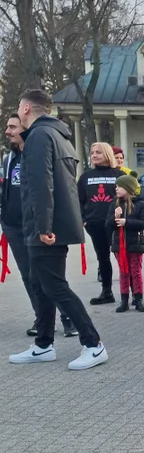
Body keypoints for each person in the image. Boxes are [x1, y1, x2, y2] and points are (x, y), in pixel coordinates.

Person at [9, 89, 108, 370]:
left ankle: (93, 344)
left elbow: (42, 184)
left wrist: (42, 226)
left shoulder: (40, 136)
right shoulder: (58, 135)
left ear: (26, 108)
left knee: (53, 285)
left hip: (44, 228)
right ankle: (43, 344)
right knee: (39, 283)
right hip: (51, 225)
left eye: (19, 106)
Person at [2, 114, 75, 337]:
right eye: (7, 127)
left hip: (37, 225)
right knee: (28, 276)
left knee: (48, 275)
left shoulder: (39, 152)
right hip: (13, 226)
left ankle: (68, 317)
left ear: (23, 128)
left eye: (12, 127)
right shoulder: (8, 160)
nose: (8, 131)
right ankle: (43, 320)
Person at [77, 142, 122, 306]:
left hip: (116, 223)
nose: (94, 155)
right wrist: (83, 219)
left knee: (123, 258)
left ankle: (132, 293)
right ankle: (107, 291)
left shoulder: (118, 175)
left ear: (107, 155)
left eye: (98, 153)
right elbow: (79, 200)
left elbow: (127, 198)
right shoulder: (85, 177)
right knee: (103, 258)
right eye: (92, 153)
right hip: (94, 224)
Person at [108, 172, 144, 313]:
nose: (116, 189)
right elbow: (107, 225)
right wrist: (115, 217)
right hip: (119, 245)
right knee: (123, 273)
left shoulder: (140, 204)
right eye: (116, 186)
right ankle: (124, 300)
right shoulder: (114, 204)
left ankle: (138, 299)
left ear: (129, 188)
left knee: (136, 272)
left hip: (135, 244)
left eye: (120, 186)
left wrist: (126, 222)